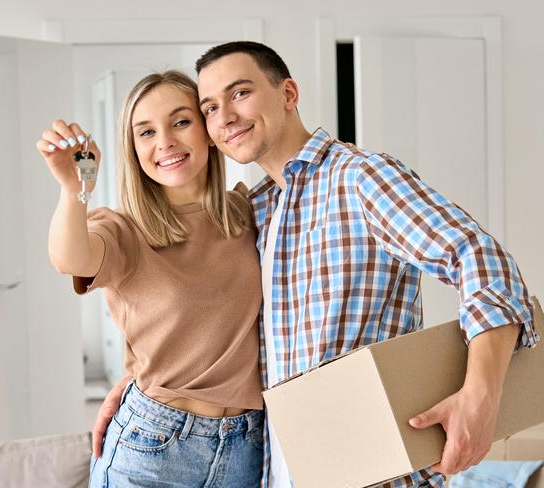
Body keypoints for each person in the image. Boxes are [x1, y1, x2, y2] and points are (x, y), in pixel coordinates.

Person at [93, 42, 539, 488]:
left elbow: (479, 258)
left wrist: (481, 395)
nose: (225, 116)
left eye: (241, 93)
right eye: (209, 107)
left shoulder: (360, 177)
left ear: (288, 94)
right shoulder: (254, 211)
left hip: (374, 471)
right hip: (280, 471)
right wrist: (141, 388)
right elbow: (220, 324)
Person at [37, 70, 265, 487]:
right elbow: (68, 257)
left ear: (209, 131)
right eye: (145, 132)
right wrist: (75, 188)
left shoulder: (248, 212)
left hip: (248, 447)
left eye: (180, 122)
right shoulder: (124, 230)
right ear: (133, 148)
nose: (165, 142)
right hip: (154, 448)